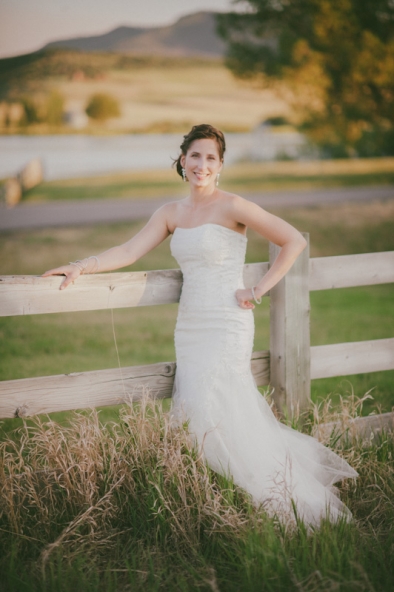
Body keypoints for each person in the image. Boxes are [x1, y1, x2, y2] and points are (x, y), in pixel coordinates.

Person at [43, 124, 357, 528]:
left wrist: (257, 288)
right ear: (182, 160)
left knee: (220, 406)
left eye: (211, 158)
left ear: (220, 165)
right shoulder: (170, 213)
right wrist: (81, 265)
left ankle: (274, 498)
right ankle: (210, 499)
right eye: (195, 156)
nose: (202, 165)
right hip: (189, 326)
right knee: (194, 409)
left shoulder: (233, 205)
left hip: (227, 322)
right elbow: (129, 249)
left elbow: (293, 239)